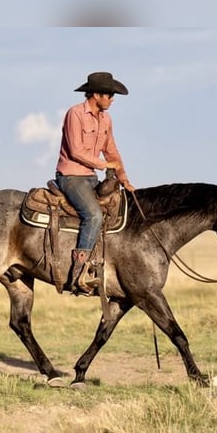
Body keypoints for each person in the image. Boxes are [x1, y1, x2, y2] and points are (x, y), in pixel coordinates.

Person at [55, 71, 136, 295]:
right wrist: (105, 166)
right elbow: (76, 151)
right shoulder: (75, 114)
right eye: (109, 95)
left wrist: (124, 179)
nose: (112, 99)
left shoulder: (106, 119)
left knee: (117, 213)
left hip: (91, 177)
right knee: (94, 215)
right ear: (96, 94)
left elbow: (112, 151)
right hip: (71, 176)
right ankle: (79, 273)